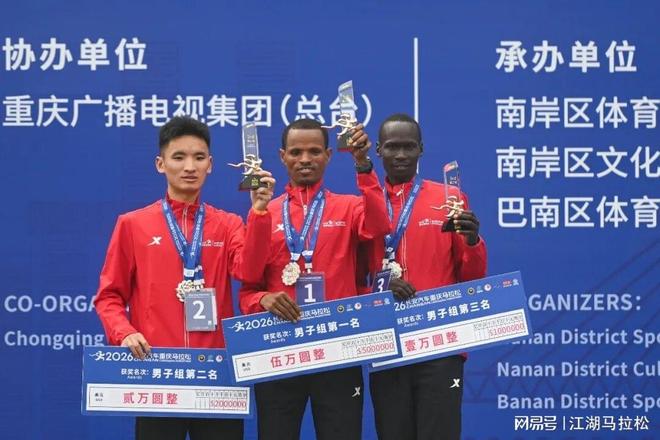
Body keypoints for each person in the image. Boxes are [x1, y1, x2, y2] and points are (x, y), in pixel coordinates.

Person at [94, 116, 275, 440]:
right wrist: (125, 333)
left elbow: (248, 272)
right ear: (160, 164)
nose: (189, 166)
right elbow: (109, 296)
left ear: (210, 165)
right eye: (179, 157)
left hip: (216, 376)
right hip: (158, 373)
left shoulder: (229, 224)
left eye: (199, 157)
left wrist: (260, 213)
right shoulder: (133, 225)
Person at [238, 118, 390, 440]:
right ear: (282, 157)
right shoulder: (265, 211)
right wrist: (263, 299)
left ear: (329, 155)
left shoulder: (349, 207)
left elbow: (378, 226)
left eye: (314, 151)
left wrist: (363, 165)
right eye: (296, 152)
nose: (305, 159)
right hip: (279, 351)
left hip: (338, 349)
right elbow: (248, 283)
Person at [366, 113, 487, 440]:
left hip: (440, 344)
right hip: (387, 343)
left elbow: (471, 276)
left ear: (421, 149)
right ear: (378, 150)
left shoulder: (449, 199)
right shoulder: (366, 204)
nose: (400, 155)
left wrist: (472, 241)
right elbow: (355, 275)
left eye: (408, 147)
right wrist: (381, 285)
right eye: (392, 147)